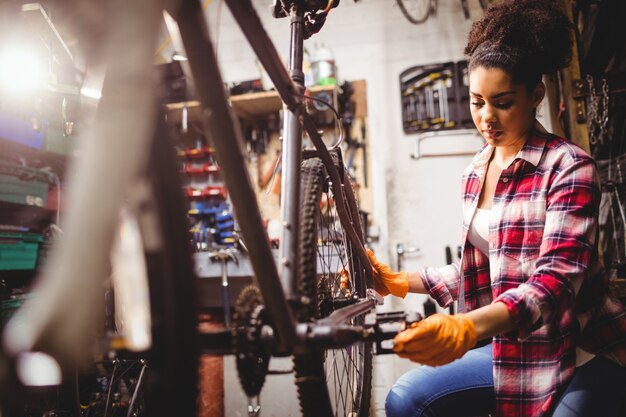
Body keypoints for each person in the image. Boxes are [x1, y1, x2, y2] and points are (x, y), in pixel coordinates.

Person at [368, 1, 626, 416]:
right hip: (516, 346)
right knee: (406, 399)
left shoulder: (569, 166)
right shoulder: (476, 170)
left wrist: (467, 325)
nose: (486, 117)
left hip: (580, 348)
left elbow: (556, 280)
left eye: (503, 102)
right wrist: (398, 282)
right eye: (476, 102)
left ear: (536, 95)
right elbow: (488, 266)